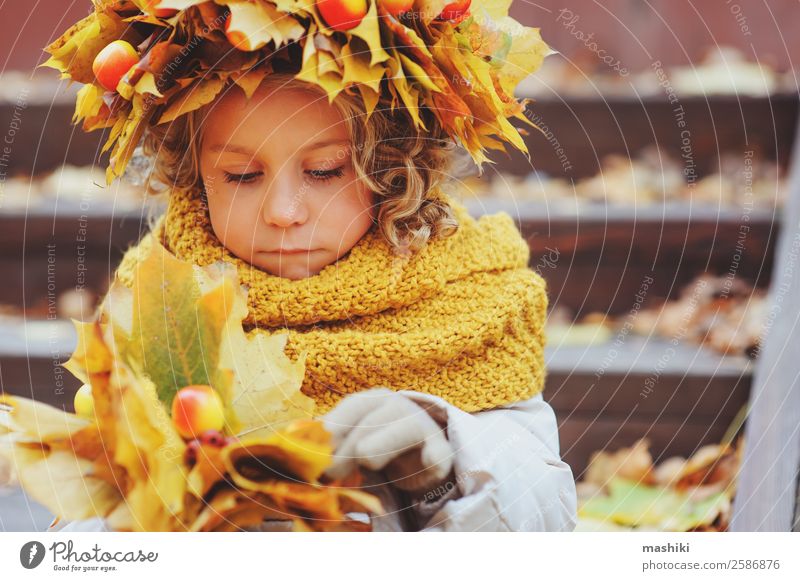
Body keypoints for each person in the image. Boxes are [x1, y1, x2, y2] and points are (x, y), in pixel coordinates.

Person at [44, 0, 576, 532]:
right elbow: (83, 532)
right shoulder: (158, 302)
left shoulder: (474, 301)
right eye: (242, 175)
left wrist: (441, 472)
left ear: (394, 165)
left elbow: (541, 511)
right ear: (191, 173)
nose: (282, 213)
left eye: (325, 171)